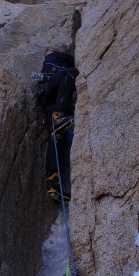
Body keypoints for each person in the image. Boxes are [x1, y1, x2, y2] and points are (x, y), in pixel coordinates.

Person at [33, 51, 79, 203]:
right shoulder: (57, 59)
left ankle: (53, 182)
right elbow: (67, 71)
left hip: (49, 107)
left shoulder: (51, 63)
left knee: (56, 135)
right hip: (53, 100)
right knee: (71, 73)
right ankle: (59, 115)